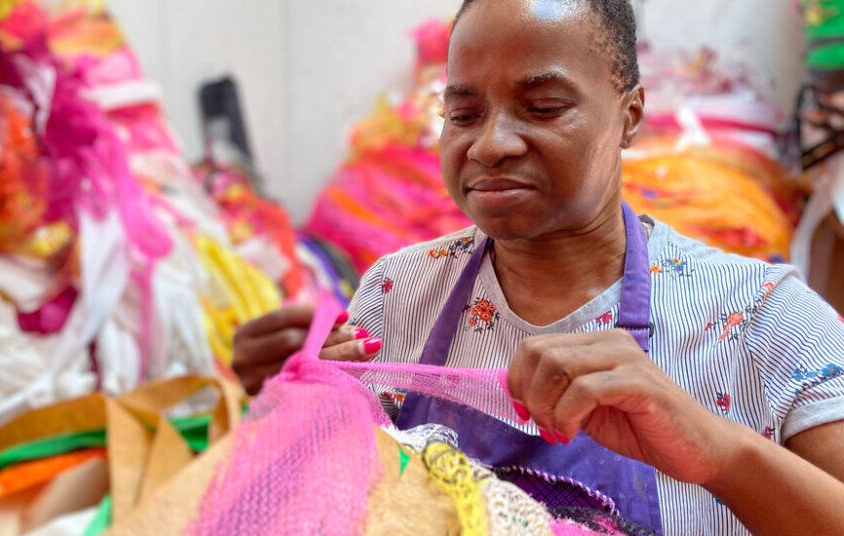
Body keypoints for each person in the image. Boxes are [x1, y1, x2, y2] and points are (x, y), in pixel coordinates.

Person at [234, 1, 844, 533]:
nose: (491, 144)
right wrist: (296, 414)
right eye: (465, 115)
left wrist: (714, 449)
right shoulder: (398, 293)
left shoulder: (763, 320)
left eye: (544, 107)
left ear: (629, 115)